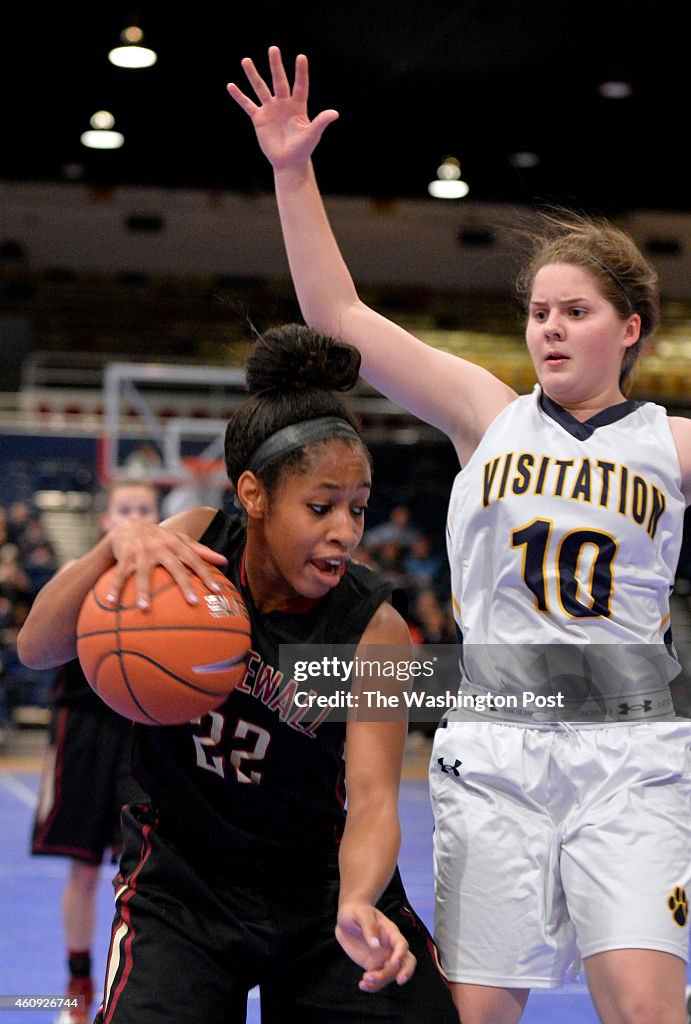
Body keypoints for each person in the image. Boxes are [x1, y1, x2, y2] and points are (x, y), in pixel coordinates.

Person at [227, 47, 691, 1024]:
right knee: (473, 1017)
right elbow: (337, 314)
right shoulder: (485, 411)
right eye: (537, 313)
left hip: (630, 755)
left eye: (576, 311)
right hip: (498, 754)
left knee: (647, 1009)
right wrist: (291, 169)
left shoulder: (672, 443)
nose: (550, 329)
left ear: (632, 327)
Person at [18, 326, 457, 1024]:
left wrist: (356, 902)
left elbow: (374, 799)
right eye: (320, 507)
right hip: (180, 884)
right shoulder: (190, 546)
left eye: (357, 508)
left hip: (316, 891)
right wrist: (112, 549)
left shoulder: (367, 627)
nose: (345, 530)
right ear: (252, 495)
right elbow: (38, 648)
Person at [30, 481, 159, 1024]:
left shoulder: (177, 588)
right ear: (107, 519)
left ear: (159, 517)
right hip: (83, 731)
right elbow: (36, 646)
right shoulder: (77, 577)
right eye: (124, 509)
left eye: (144, 509)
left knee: (146, 872)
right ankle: (78, 987)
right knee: (82, 871)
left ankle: (142, 983)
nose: (133, 517)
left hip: (145, 733)